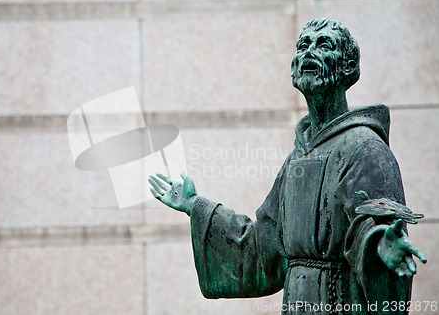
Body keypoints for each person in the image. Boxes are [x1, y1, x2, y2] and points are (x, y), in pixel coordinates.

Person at [148, 18, 426, 315]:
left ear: (347, 67)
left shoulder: (365, 147)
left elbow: (373, 226)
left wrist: (379, 246)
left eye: (324, 46)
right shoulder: (298, 155)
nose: (309, 53)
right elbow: (262, 247)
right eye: (303, 45)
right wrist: (195, 205)